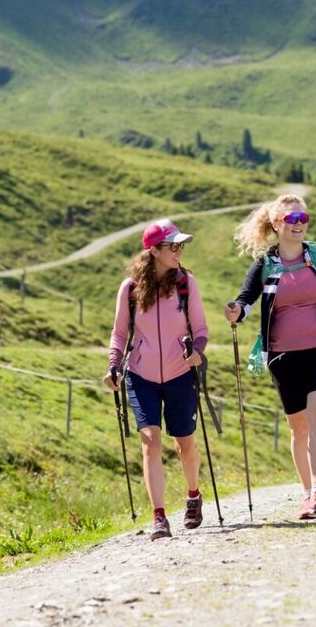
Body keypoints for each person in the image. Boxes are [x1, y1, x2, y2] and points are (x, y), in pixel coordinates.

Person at [224, 194, 316, 520]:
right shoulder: (264, 265)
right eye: (291, 219)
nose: (299, 224)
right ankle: (305, 494)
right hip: (282, 355)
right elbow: (246, 299)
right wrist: (236, 311)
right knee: (298, 428)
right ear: (276, 224)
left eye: (303, 218)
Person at [104, 219, 209, 540]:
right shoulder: (131, 289)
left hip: (180, 374)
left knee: (185, 445)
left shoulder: (186, 284)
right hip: (141, 375)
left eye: (181, 246)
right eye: (173, 246)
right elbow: (120, 333)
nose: (179, 251)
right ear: (154, 250)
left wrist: (198, 353)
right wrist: (114, 365)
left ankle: (193, 495)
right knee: (150, 441)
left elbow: (201, 330)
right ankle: (159, 516)